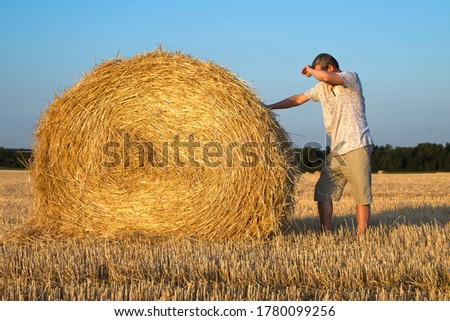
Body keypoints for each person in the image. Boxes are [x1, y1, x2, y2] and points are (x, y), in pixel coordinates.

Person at [266, 53, 374, 235]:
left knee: (361, 195)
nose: (318, 77)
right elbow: (298, 99)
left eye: (319, 72)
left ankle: (362, 234)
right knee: (323, 191)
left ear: (330, 68)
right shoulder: (321, 87)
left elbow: (324, 76)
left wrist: (310, 70)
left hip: (357, 144)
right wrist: (269, 107)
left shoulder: (351, 78)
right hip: (336, 150)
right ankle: (326, 232)